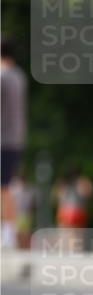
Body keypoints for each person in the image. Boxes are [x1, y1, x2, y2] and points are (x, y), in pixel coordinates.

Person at [1, 35, 28, 249]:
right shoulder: (19, 76)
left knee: (4, 187)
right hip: (16, 138)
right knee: (5, 185)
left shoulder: (2, 76)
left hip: (3, 138)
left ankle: (8, 233)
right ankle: (8, 231)